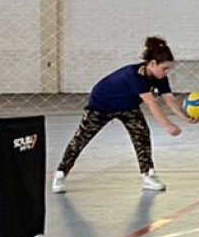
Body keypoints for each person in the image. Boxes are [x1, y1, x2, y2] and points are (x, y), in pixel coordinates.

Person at [52, 37, 181, 195]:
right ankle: (60, 173)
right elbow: (151, 103)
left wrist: (188, 118)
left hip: (127, 107)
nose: (167, 72)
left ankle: (148, 175)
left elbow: (170, 100)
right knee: (81, 139)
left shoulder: (160, 78)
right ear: (152, 63)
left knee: (142, 135)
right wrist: (168, 125)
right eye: (165, 68)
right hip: (101, 105)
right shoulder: (135, 75)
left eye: (169, 69)